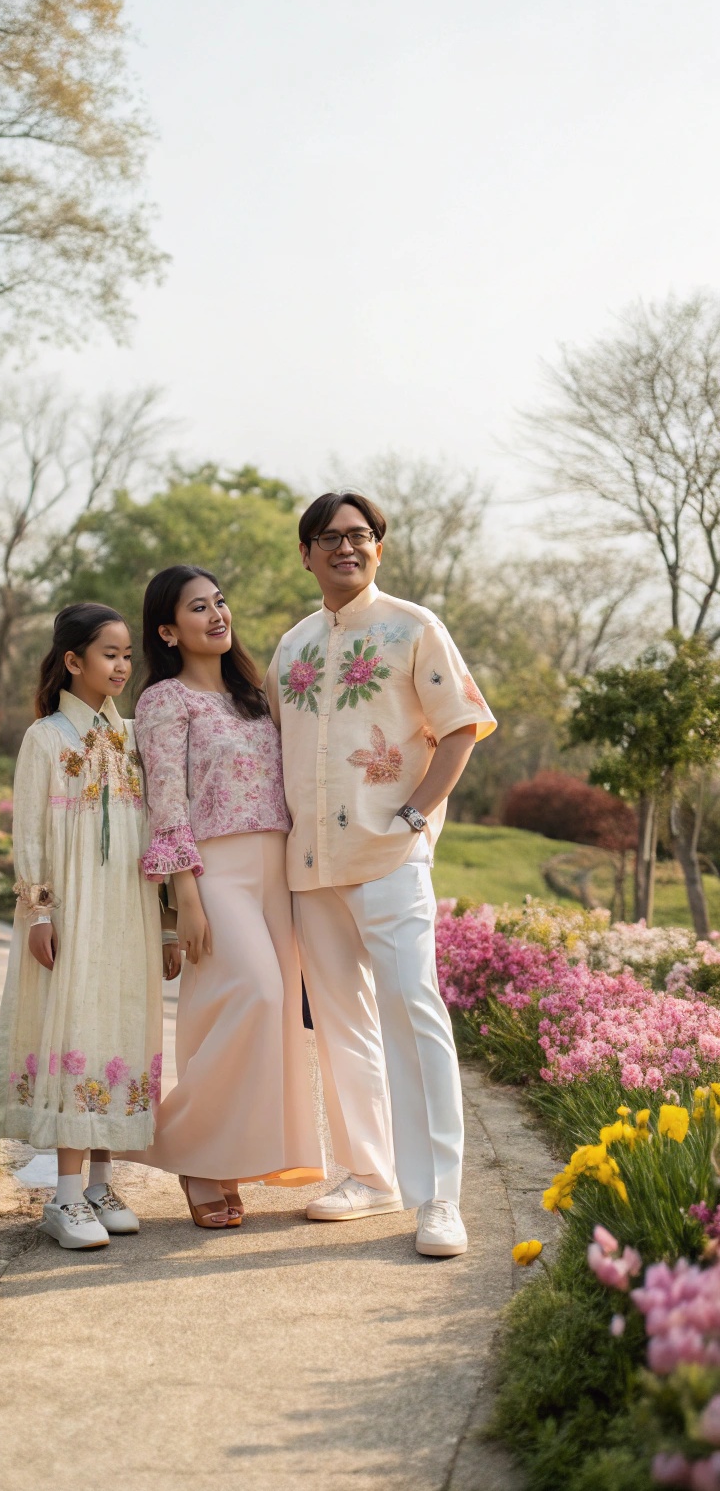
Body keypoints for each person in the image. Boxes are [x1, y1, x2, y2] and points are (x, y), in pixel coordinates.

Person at [265, 492, 496, 1257]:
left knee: (413, 1013)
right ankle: (370, 1175)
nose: (345, 548)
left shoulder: (414, 627)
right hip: (310, 864)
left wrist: (414, 815)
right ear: (305, 554)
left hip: (390, 854)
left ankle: (440, 1200)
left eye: (360, 536)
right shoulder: (291, 647)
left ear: (379, 549)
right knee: (339, 1024)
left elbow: (462, 725)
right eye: (329, 538)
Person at [133, 565, 324, 1228]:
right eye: (197, 608)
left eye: (219, 602)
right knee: (255, 995)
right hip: (214, 870)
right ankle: (188, 1147)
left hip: (277, 867)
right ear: (167, 629)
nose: (217, 615)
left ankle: (224, 1158)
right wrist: (183, 893)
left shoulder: (256, 696)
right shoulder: (164, 701)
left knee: (274, 1017)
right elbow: (166, 799)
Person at [0, 602, 173, 1251]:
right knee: (75, 1026)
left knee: (116, 1024)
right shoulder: (46, 739)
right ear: (73, 661)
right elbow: (30, 832)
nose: (122, 666)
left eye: (127, 655)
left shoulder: (133, 739)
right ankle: (63, 1198)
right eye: (109, 654)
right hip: (72, 907)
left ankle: (100, 1184)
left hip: (129, 910)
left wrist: (169, 923)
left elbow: (156, 831)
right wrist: (39, 910)